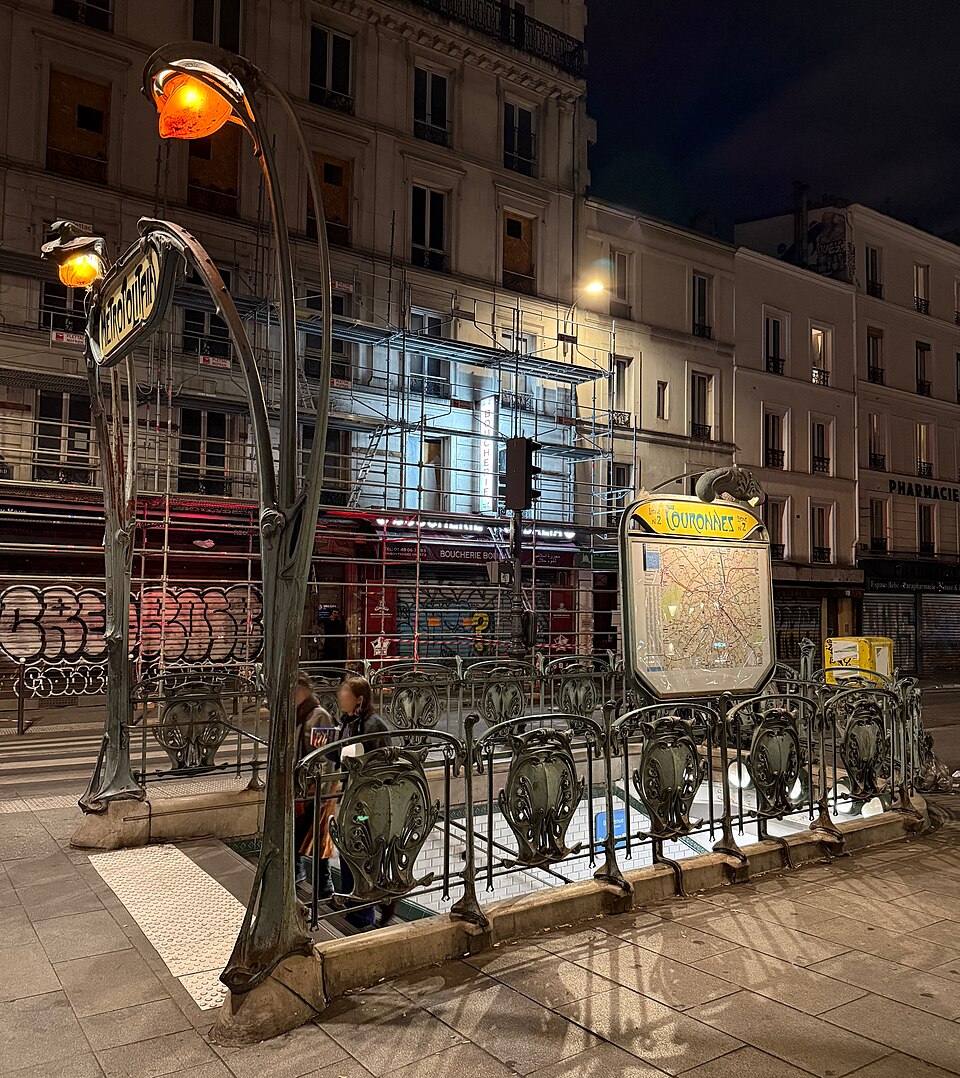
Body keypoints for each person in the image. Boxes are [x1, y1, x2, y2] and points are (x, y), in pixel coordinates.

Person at [334, 675, 391, 929]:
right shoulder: (347, 723)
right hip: (351, 797)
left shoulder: (372, 725)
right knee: (349, 849)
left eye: (345, 696)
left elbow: (383, 764)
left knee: (360, 849)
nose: (340, 700)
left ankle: (365, 910)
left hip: (367, 804)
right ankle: (356, 906)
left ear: (360, 699)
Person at [293, 672, 337, 899]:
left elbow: (327, 757)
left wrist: (321, 791)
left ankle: (325, 885)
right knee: (298, 831)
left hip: (315, 787)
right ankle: (299, 871)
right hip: (300, 785)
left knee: (319, 838)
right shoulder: (297, 714)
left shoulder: (319, 716)